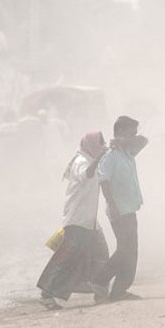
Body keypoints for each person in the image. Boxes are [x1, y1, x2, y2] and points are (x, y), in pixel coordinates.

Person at [37, 131, 110, 310]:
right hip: (77, 220)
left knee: (99, 254)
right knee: (66, 259)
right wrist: (100, 156)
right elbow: (86, 174)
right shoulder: (81, 161)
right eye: (99, 144)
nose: (101, 147)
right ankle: (46, 294)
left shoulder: (92, 160)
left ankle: (99, 290)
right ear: (91, 145)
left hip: (90, 221)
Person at [94, 116, 148, 302]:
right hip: (119, 210)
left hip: (129, 208)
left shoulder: (127, 152)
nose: (135, 136)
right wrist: (113, 205)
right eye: (131, 132)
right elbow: (104, 182)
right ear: (121, 132)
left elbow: (145, 140)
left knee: (129, 251)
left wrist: (125, 141)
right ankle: (100, 280)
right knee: (126, 250)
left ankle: (118, 290)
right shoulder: (111, 156)